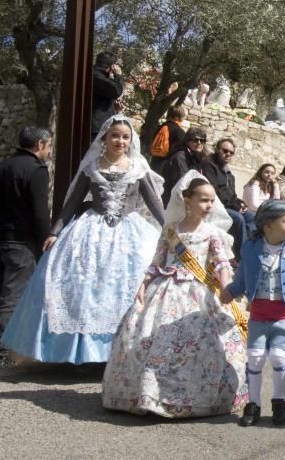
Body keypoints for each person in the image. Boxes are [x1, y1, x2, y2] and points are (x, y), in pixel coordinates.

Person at [2, 116, 165, 364]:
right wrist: (55, 231)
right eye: (114, 135)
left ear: (131, 140)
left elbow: (154, 203)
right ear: (105, 138)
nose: (119, 140)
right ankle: (82, 354)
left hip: (131, 232)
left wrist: (171, 231)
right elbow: (72, 203)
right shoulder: (92, 166)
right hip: (91, 231)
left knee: (130, 288)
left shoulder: (137, 168)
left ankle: (124, 352)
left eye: (124, 136)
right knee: (82, 288)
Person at [102, 173, 248, 417]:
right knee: (152, 338)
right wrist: (144, 283)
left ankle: (191, 397)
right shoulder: (170, 231)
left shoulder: (211, 233)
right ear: (186, 200)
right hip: (165, 290)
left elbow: (222, 264)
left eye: (211, 201)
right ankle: (147, 393)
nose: (209, 205)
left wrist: (226, 289)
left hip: (198, 294)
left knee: (197, 343)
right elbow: (156, 261)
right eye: (203, 200)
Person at [221, 200, 285, 427]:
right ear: (268, 225)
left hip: (284, 316)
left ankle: (279, 401)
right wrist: (230, 292)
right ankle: (254, 404)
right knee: (255, 358)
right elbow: (242, 278)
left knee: (280, 358)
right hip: (258, 316)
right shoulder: (250, 248)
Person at [0, 127, 51, 370]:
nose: (49, 151)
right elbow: (39, 211)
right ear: (39, 144)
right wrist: (45, 239)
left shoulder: (0, 167)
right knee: (11, 298)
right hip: (20, 243)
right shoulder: (36, 170)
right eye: (49, 146)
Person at [201, 139, 249, 258]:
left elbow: (232, 195)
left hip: (230, 205)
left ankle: (250, 251)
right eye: (225, 151)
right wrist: (236, 206)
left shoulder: (228, 172)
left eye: (231, 152)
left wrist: (241, 204)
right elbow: (215, 191)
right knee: (238, 219)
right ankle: (242, 257)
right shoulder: (209, 164)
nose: (228, 154)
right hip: (215, 206)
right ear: (217, 149)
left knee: (253, 217)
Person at [161, 126, 208, 203]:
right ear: (187, 141)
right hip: (174, 200)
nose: (199, 143)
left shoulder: (197, 157)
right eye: (195, 140)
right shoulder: (180, 156)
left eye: (202, 140)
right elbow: (183, 182)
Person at [91, 51, 123, 140]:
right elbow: (116, 91)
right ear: (112, 66)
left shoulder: (99, 75)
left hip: (99, 128)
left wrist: (114, 108)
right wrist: (118, 76)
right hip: (96, 129)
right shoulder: (96, 76)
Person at [149, 105, 187, 173]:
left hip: (154, 162)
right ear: (180, 117)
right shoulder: (179, 131)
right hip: (168, 166)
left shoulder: (159, 127)